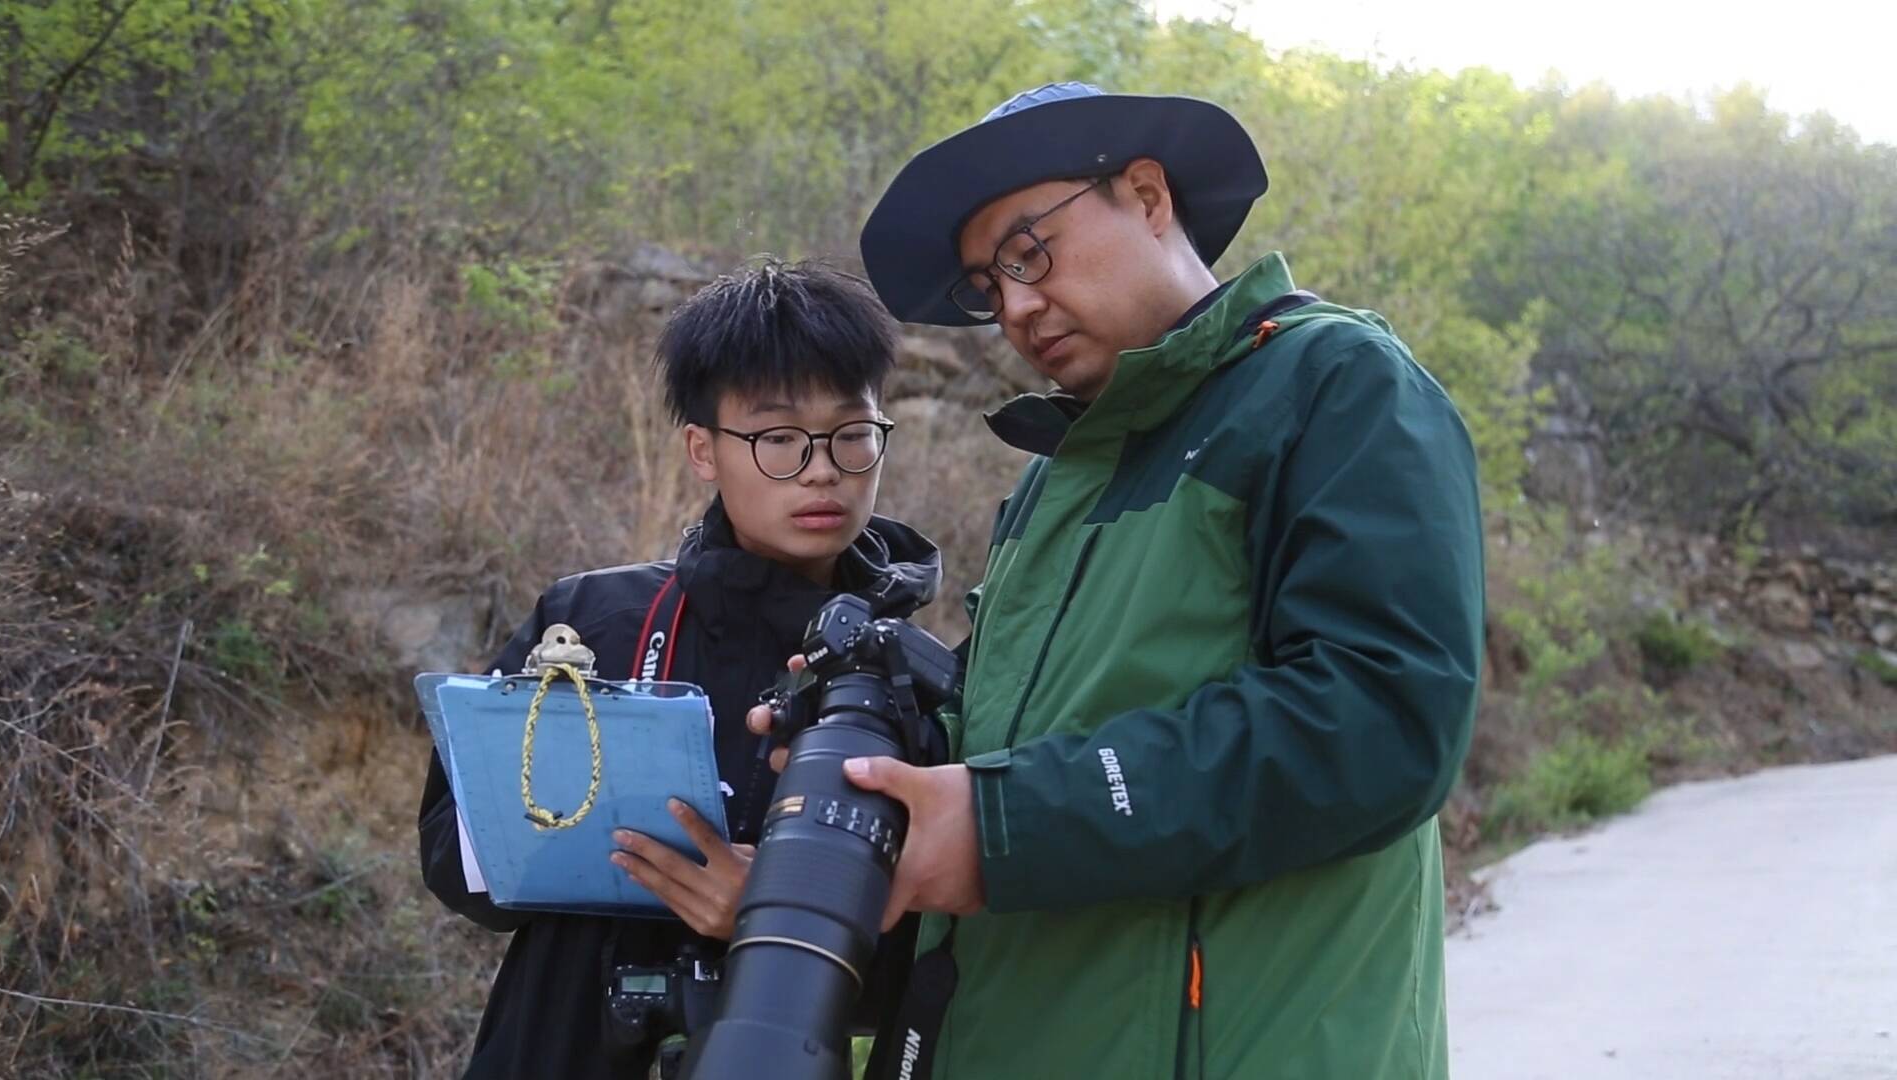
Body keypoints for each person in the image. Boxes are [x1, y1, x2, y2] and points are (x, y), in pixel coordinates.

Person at [833, 82, 1486, 1078]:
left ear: (1146, 194)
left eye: (1026, 250)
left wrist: (1004, 823)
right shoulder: (1060, 475)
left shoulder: (1334, 386)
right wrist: (853, 812)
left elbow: (1380, 720)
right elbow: (1016, 757)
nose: (1012, 307)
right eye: (986, 286)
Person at [418, 259, 940, 1078]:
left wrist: (781, 912)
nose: (822, 468)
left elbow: (942, 949)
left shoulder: (908, 679)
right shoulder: (591, 623)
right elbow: (453, 863)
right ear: (702, 449)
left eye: (851, 433)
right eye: (775, 438)